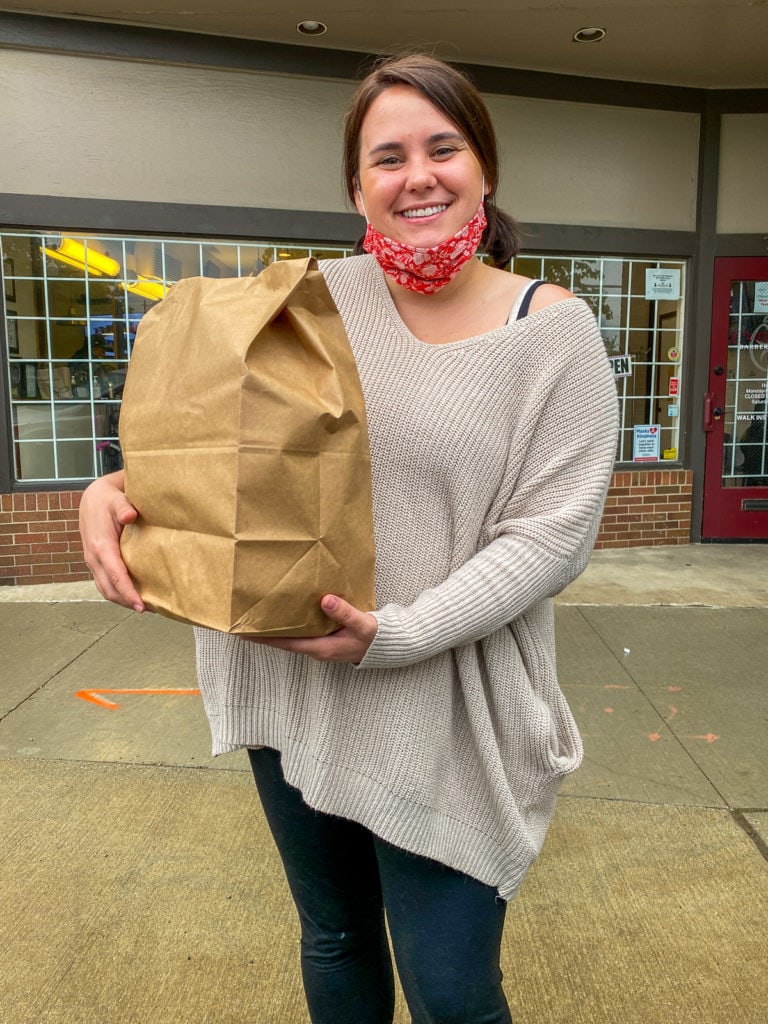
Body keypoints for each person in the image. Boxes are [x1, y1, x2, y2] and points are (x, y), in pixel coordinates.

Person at [79, 53, 619, 1024]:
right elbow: (214, 444)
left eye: (443, 148)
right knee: (333, 940)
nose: (419, 175)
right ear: (356, 185)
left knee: (452, 993)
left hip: (440, 706)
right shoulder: (304, 303)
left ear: (484, 169)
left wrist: (396, 633)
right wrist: (110, 488)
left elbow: (550, 538)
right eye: (389, 156)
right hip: (290, 682)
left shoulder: (554, 329)